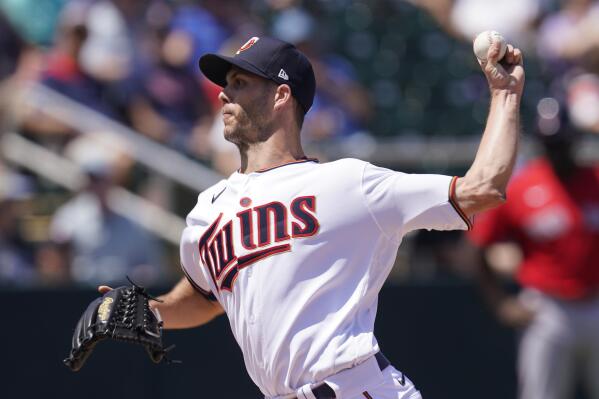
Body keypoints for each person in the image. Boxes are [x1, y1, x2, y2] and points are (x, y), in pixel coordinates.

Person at [100, 35, 524, 398]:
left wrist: (504, 95)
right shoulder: (205, 212)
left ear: (282, 95)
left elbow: (482, 189)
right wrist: (152, 312)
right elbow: (205, 298)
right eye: (225, 83)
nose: (223, 94)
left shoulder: (347, 184)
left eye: (241, 82)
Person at [467, 99, 599, 399]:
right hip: (547, 308)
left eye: (562, 143)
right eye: (552, 144)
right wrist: (501, 303)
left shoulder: (596, 179)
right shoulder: (524, 186)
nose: (558, 152)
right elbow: (477, 248)